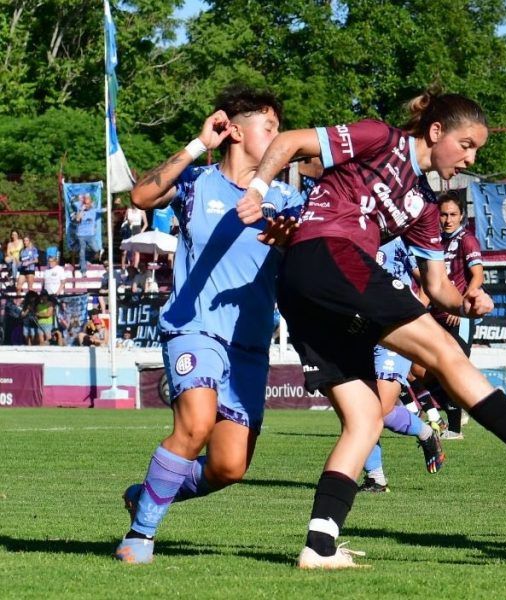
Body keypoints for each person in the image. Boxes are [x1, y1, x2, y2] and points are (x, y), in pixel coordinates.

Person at [235, 90, 506, 570]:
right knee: (446, 355)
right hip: (329, 255)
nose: (472, 157)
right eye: (467, 144)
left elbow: (438, 289)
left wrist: (469, 303)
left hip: (307, 288)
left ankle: (319, 545)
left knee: (366, 419)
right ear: (436, 132)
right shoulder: (379, 137)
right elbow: (288, 141)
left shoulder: (427, 208)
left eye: (477, 149)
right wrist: (258, 190)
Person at [113, 84, 304, 565]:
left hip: (250, 344)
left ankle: (148, 493)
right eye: (270, 127)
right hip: (192, 326)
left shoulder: (287, 200)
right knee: (195, 424)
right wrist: (199, 143)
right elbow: (141, 194)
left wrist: (293, 242)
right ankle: (140, 535)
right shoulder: (198, 182)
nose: (279, 139)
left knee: (228, 468)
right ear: (235, 131)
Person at [360, 237, 446, 493]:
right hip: (357, 333)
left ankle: (426, 433)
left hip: (393, 336)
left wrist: (412, 315)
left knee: (378, 409)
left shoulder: (399, 241)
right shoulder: (351, 232)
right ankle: (376, 479)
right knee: (358, 414)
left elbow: (431, 283)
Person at [410, 192, 484, 439]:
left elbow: (477, 276)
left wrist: (462, 306)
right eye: (443, 214)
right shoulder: (434, 242)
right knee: (418, 370)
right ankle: (458, 407)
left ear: (462, 215)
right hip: (436, 316)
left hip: (457, 318)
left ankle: (454, 429)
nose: (448, 219)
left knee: (453, 368)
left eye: (453, 214)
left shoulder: (467, 240)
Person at [74, 194, 102, 275]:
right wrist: (82, 210)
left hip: (90, 235)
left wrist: (114, 204)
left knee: (96, 250)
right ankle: (83, 270)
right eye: (85, 203)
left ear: (91, 203)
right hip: (81, 235)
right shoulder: (80, 210)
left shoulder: (94, 210)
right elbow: (77, 219)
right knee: (82, 252)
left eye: (88, 203)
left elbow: (104, 209)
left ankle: (88, 259)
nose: (86, 205)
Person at [122, 201, 149, 269]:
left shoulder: (142, 211)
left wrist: (141, 231)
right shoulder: (128, 210)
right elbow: (124, 221)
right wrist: (128, 221)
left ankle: (135, 267)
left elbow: (146, 224)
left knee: (136, 251)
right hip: (129, 230)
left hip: (137, 230)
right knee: (125, 250)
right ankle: (123, 266)